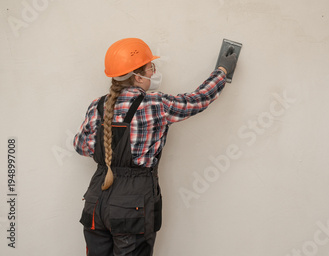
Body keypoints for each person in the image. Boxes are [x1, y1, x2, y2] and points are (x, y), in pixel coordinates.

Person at [73, 37, 237, 256]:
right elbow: (199, 99)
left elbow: (81, 146)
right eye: (151, 68)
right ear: (137, 77)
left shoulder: (97, 106)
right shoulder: (155, 104)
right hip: (132, 207)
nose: (153, 73)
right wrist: (222, 70)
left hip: (95, 203)